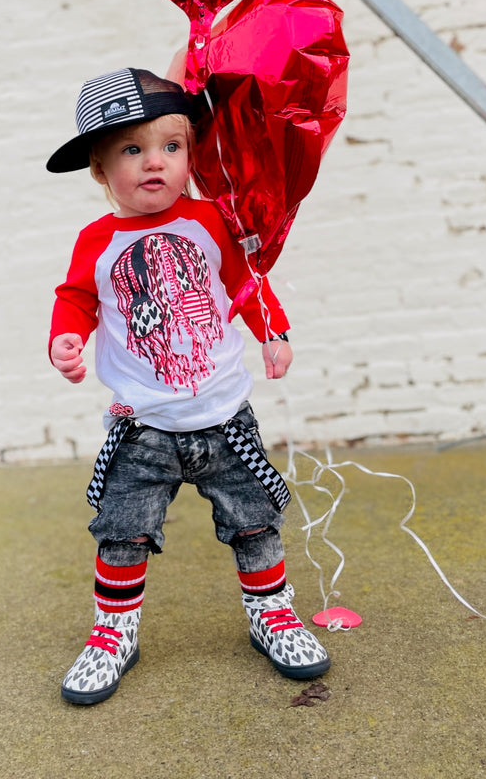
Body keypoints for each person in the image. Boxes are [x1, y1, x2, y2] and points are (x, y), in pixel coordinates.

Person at [47, 67, 330, 705]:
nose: (156, 162)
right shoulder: (96, 241)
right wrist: (66, 337)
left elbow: (245, 282)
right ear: (99, 169)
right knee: (122, 529)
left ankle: (272, 614)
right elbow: (77, 298)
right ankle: (113, 632)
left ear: (190, 155)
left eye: (171, 146)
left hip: (225, 417)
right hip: (142, 427)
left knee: (255, 521)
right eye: (133, 149)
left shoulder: (209, 221)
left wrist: (273, 332)